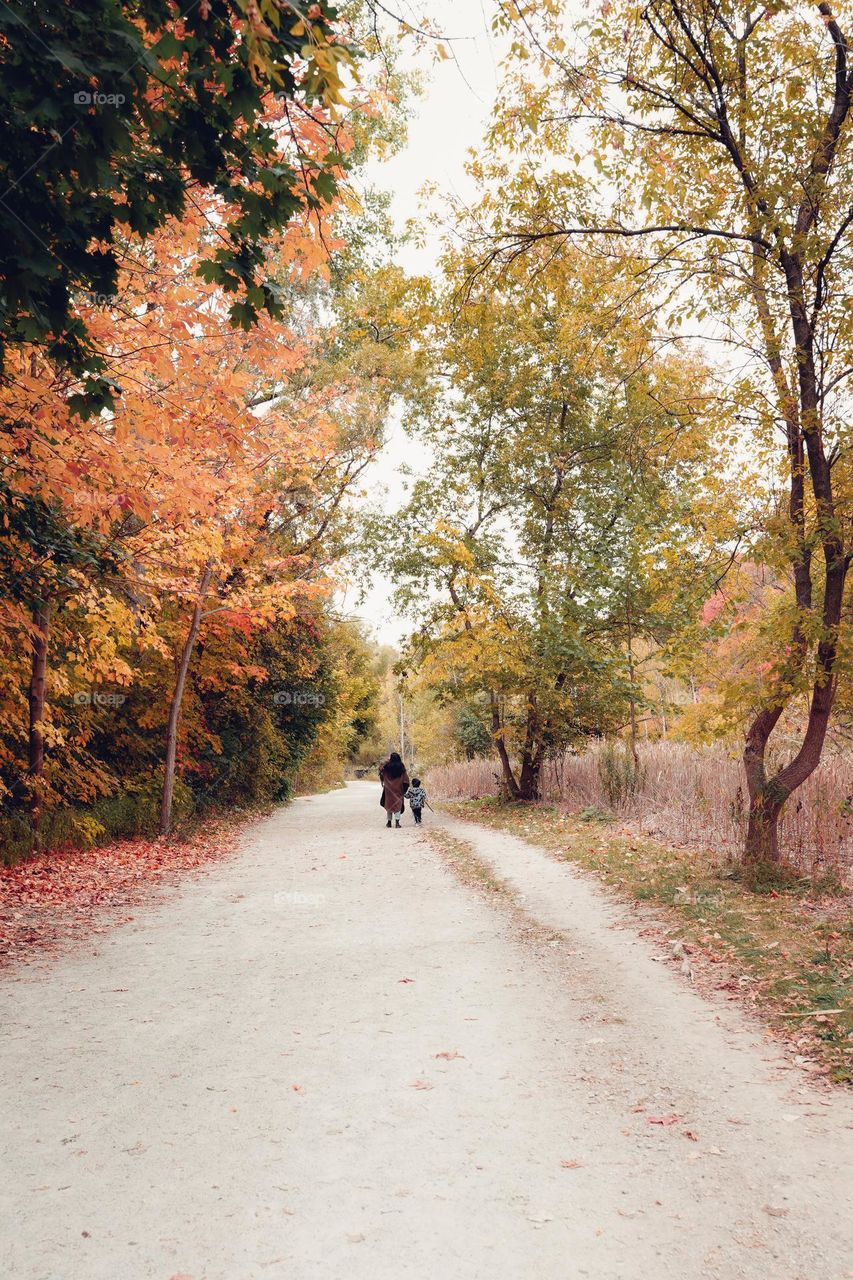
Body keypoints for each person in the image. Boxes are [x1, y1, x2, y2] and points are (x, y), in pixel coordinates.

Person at [379, 751, 410, 828]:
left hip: (388, 790)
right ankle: (397, 823)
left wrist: (386, 761)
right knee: (397, 805)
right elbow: (406, 780)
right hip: (398, 789)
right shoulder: (401, 767)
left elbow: (381, 772)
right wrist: (404, 790)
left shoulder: (386, 767)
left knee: (389, 805)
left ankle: (389, 822)